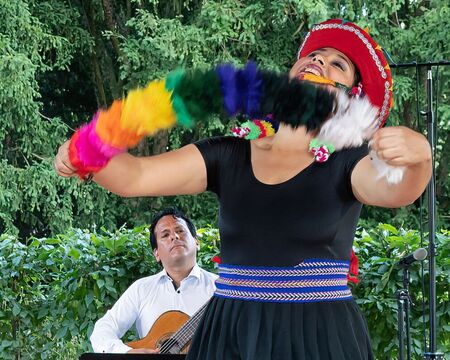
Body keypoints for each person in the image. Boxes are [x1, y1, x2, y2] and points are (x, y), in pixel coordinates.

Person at [55, 19, 432, 360]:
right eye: (314, 55)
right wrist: (85, 152)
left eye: (338, 64)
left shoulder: (350, 161)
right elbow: (134, 176)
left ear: (352, 98)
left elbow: (395, 190)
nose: (319, 62)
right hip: (229, 334)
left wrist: (420, 159)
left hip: (318, 334)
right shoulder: (228, 153)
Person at [89, 208, 218, 354]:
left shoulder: (220, 288)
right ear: (156, 253)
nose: (174, 236)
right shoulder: (141, 289)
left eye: (180, 231)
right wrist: (127, 352)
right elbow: (102, 331)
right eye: (165, 234)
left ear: (196, 242)